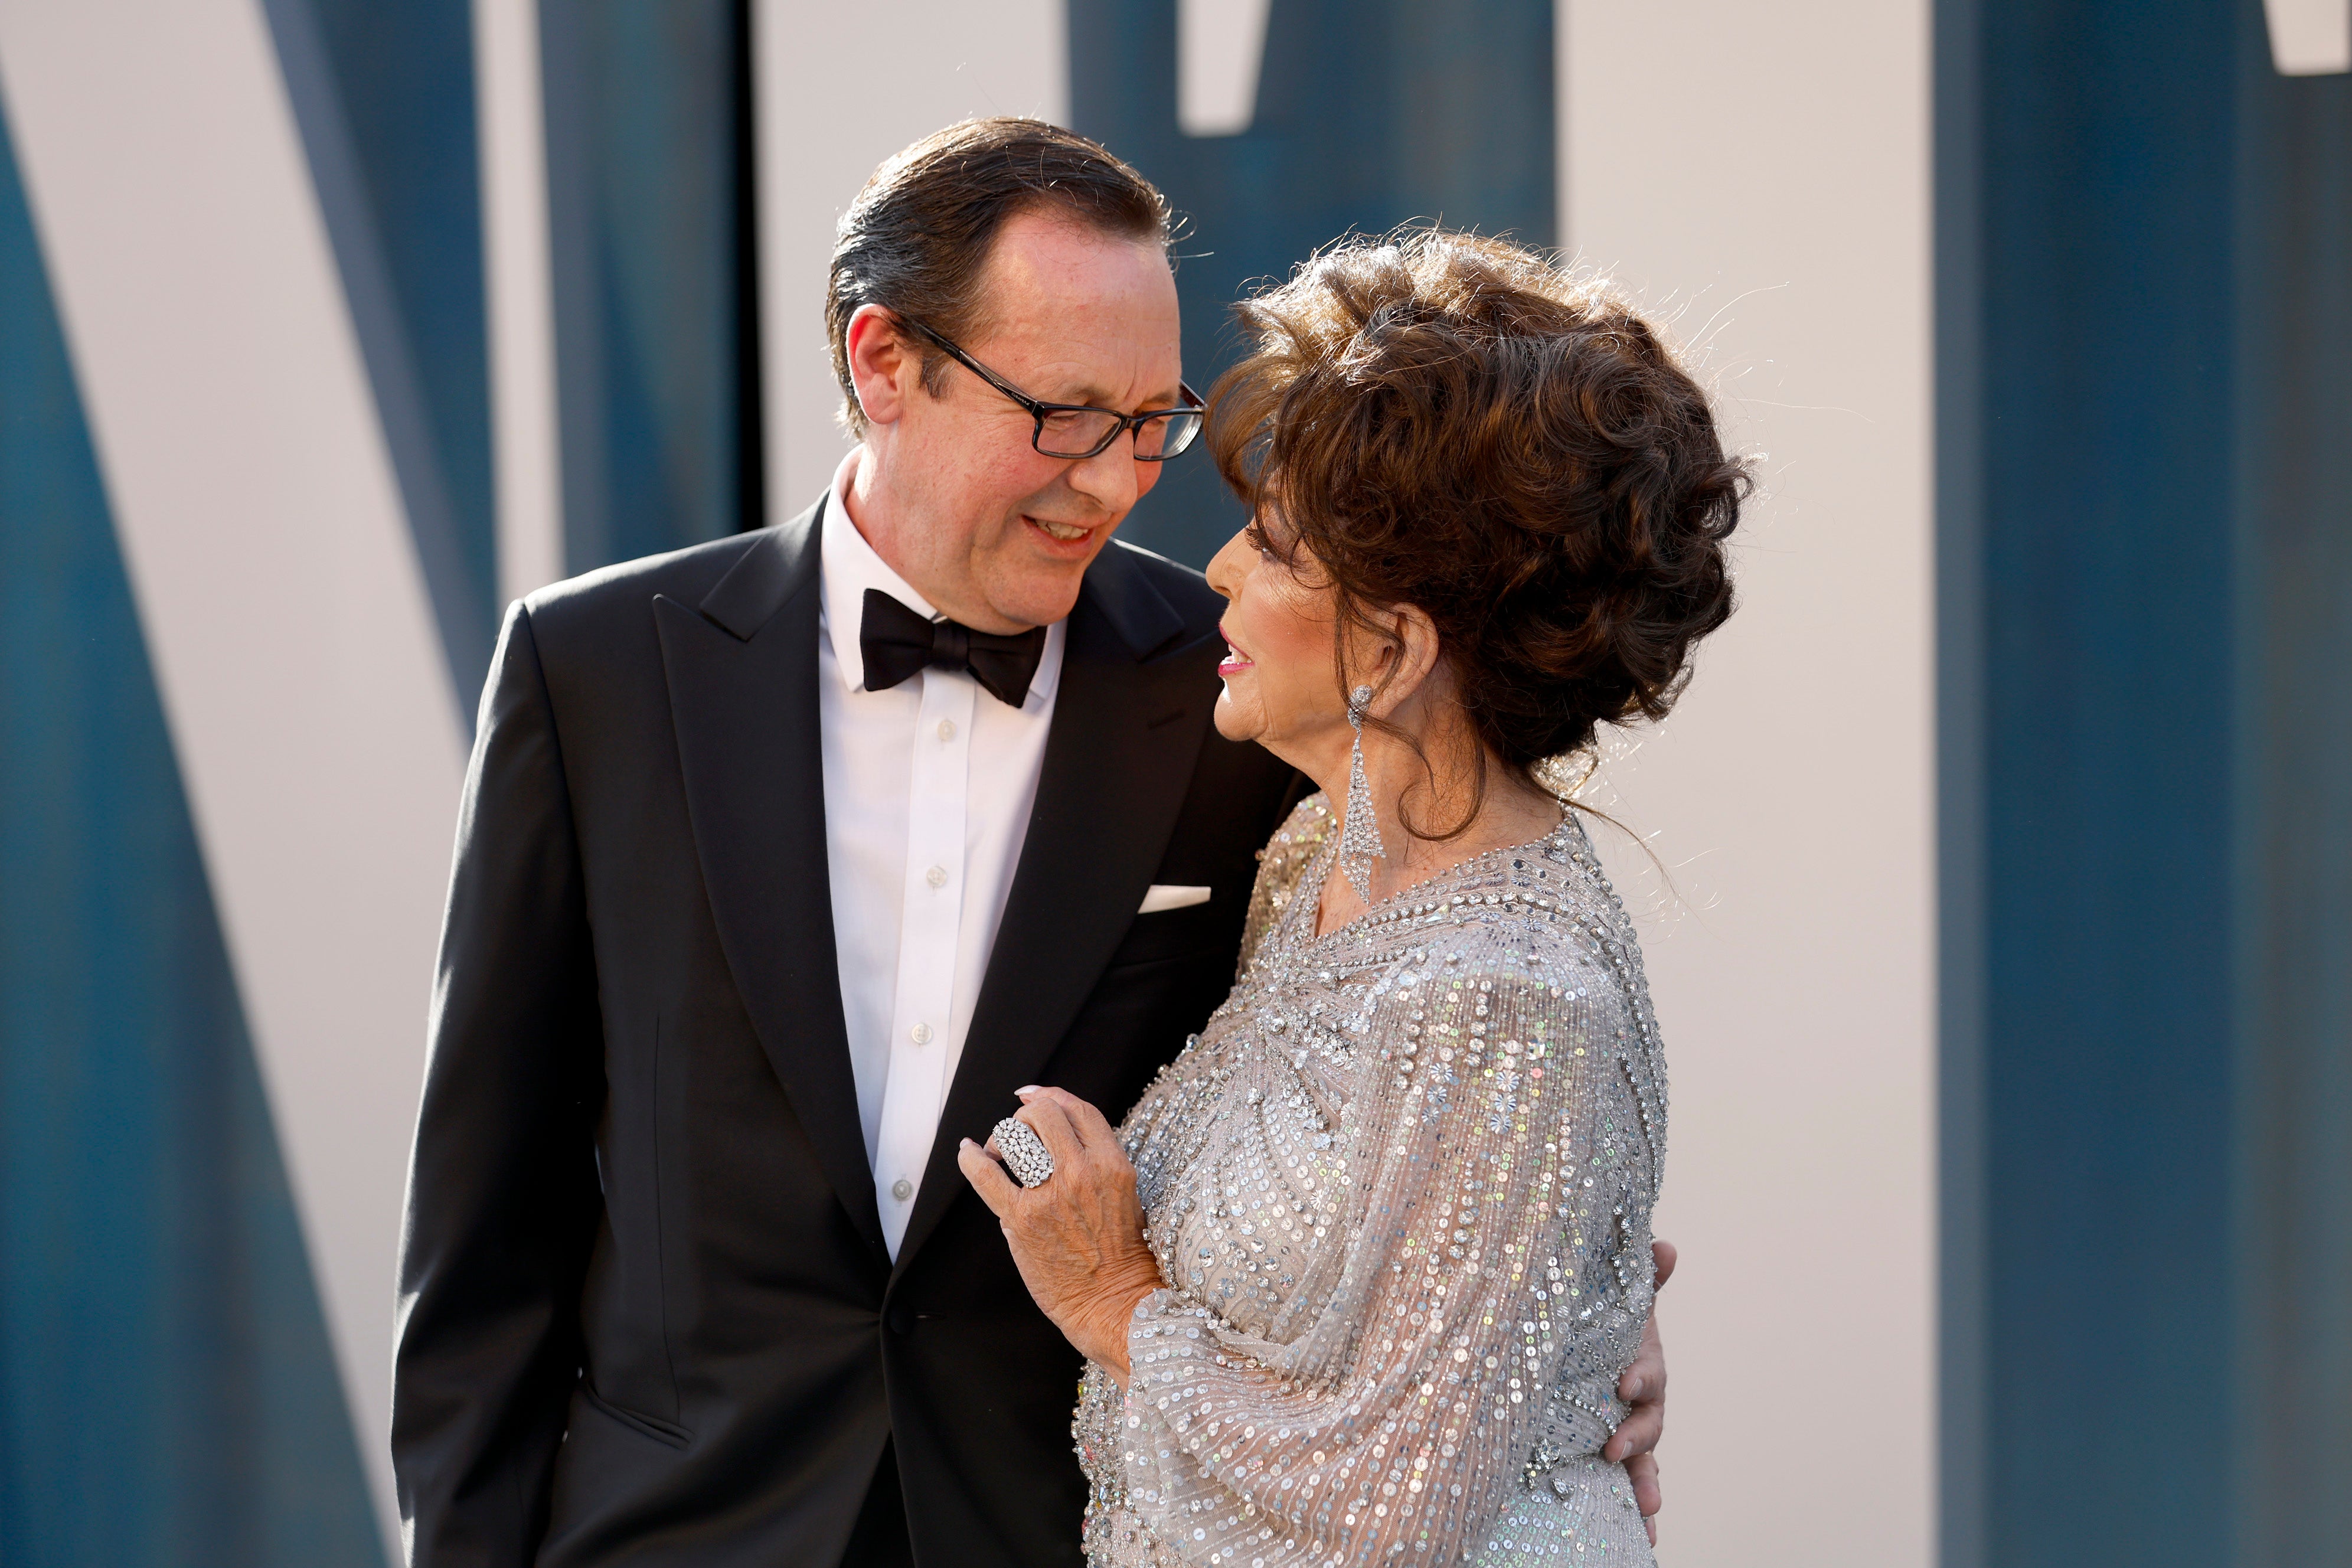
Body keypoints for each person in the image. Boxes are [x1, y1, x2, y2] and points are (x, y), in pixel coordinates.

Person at [392, 120, 1668, 1568]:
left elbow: (1441, 1093)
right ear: (885, 362)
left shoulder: (1240, 693)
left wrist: (1577, 1341)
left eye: (1150, 421)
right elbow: (486, 1241)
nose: (1121, 485)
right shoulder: (598, 670)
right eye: (1064, 415)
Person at [958, 229, 1739, 1566]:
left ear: (1394, 644)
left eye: (1271, 546)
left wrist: (1116, 1297)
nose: (1213, 574)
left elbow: (1398, 1508)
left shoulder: (1506, 993)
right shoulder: (1318, 856)